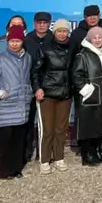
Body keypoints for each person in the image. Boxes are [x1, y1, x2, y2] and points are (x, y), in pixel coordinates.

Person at [0, 25, 33, 180]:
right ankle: (5, 171)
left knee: (18, 140)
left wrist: (29, 92)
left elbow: (27, 79)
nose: (14, 44)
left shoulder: (27, 58)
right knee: (5, 141)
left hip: (21, 105)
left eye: (17, 40)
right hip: (5, 106)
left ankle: (16, 168)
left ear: (22, 41)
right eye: (12, 40)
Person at [32, 18, 74, 174]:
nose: (62, 34)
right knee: (47, 129)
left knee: (61, 128)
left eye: (65, 31)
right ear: (54, 32)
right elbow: (36, 71)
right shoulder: (45, 48)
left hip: (65, 94)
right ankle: (44, 160)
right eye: (59, 31)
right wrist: (37, 88)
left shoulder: (72, 48)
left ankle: (58, 157)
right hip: (47, 94)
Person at [71, 27, 102, 166]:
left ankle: (96, 151)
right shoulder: (83, 55)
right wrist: (86, 90)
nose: (97, 40)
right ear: (89, 39)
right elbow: (77, 75)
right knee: (87, 126)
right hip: (89, 98)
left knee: (98, 125)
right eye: (94, 38)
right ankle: (86, 154)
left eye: (99, 38)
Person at [23, 11, 53, 164]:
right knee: (28, 121)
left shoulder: (53, 39)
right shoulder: (27, 39)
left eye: (45, 22)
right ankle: (28, 150)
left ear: (49, 24)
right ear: (34, 23)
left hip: (48, 85)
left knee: (47, 122)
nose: (42, 25)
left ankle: (45, 151)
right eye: (39, 22)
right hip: (28, 85)